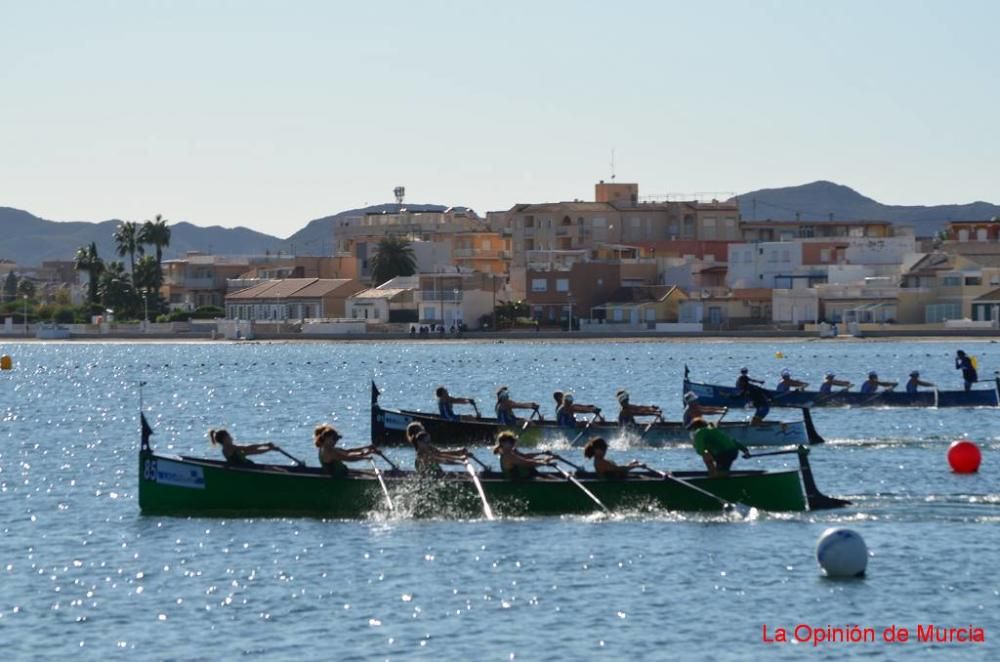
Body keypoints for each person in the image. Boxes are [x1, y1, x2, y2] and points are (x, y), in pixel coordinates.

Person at [314, 424, 378, 477]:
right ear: (326, 438)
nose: (336, 441)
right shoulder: (329, 452)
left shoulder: (326, 447)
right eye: (334, 439)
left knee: (372, 474)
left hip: (344, 472)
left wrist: (368, 449)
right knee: (372, 476)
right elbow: (348, 458)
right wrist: (365, 458)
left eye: (337, 439)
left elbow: (348, 452)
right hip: (340, 476)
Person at [209, 428, 275, 465]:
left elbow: (255, 452)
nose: (231, 438)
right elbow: (248, 448)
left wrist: (269, 449)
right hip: (247, 469)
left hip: (250, 467)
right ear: (224, 439)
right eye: (229, 436)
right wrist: (265, 445)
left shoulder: (236, 451)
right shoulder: (229, 448)